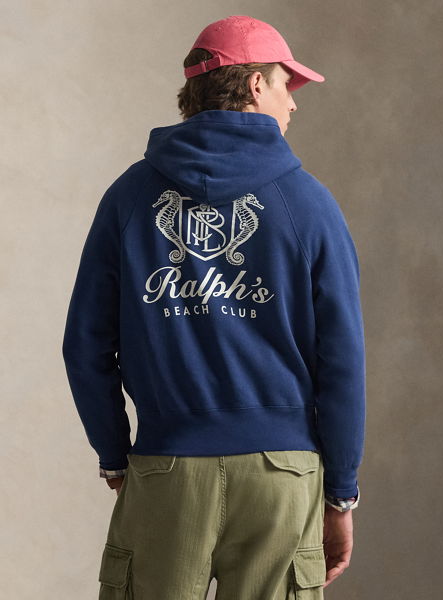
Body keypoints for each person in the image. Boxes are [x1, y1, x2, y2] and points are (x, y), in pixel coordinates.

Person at [62, 14, 366, 600]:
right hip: (283, 476)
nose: (293, 103)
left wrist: (115, 455)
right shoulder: (310, 204)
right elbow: (343, 360)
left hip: (167, 464)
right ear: (255, 84)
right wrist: (341, 492)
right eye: (286, 84)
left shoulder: (128, 197)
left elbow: (85, 345)